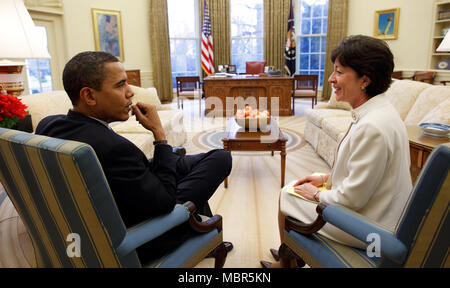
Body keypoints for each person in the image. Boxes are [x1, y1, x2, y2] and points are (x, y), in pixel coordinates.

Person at [36, 51, 233, 262]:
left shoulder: (49, 125)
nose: (130, 92)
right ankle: (199, 227)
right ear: (89, 96)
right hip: (145, 236)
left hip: (123, 189)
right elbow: (166, 200)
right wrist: (159, 135)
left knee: (214, 158)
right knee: (219, 161)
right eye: (120, 85)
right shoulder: (114, 149)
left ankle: (199, 219)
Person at [261, 35, 413, 268]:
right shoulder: (381, 112)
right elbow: (367, 174)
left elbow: (351, 199)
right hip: (381, 212)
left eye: (339, 72)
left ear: (365, 80)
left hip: (370, 228)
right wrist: (326, 179)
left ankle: (286, 263)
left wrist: (316, 193)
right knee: (296, 190)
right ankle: (291, 254)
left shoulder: (373, 127)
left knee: (286, 194)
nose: (331, 79)